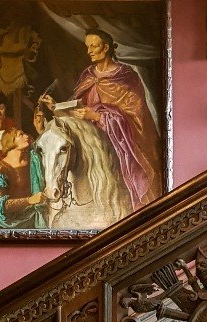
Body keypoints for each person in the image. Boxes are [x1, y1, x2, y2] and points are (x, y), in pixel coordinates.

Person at [39, 27, 161, 212]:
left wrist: (96, 116)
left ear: (106, 48)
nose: (88, 51)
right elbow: (77, 109)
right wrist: (55, 106)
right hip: (89, 144)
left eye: (93, 46)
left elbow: (136, 118)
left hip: (118, 147)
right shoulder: (88, 75)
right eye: (87, 46)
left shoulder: (126, 77)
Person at [0, 127, 47, 230]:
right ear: (10, 142)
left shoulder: (35, 159)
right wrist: (30, 200)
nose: (26, 136)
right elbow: (1, 207)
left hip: (36, 215)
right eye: (21, 135)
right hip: (11, 223)